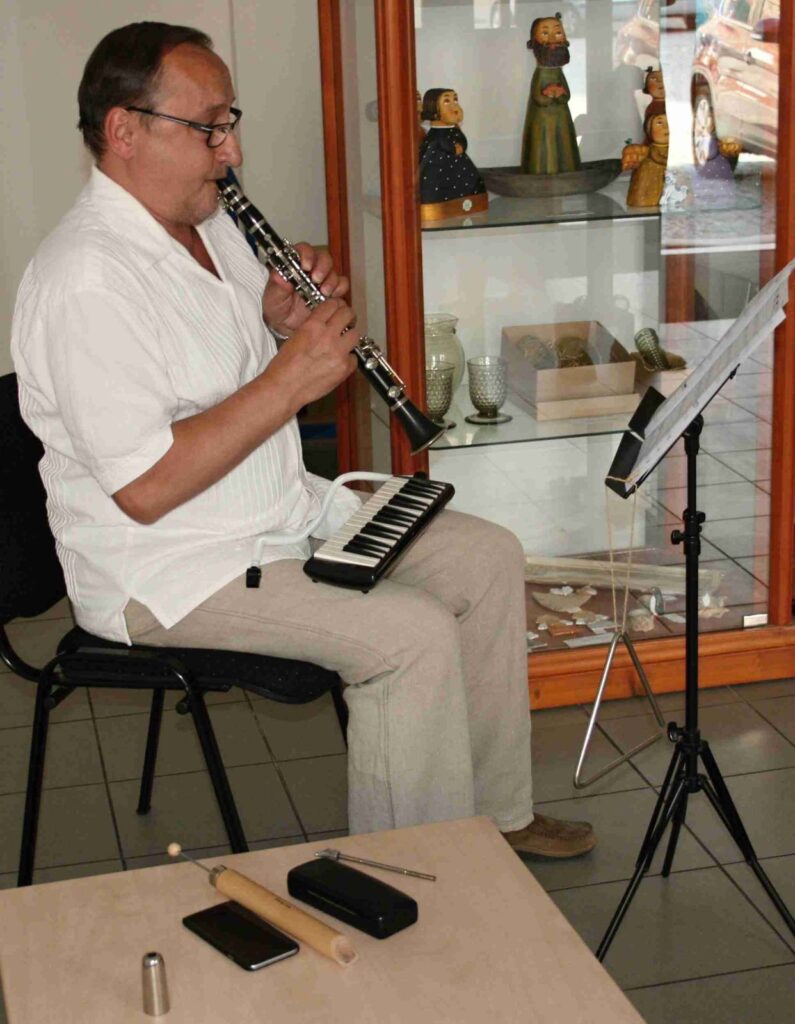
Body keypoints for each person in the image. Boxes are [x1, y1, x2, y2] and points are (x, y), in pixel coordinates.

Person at [11, 22, 595, 859]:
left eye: (230, 122)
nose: (232, 149)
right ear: (124, 130)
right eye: (210, 128)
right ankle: (413, 868)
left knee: (486, 557)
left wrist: (279, 319)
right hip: (172, 568)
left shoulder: (206, 223)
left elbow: (218, 356)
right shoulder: (85, 281)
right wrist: (291, 377)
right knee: (410, 637)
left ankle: (496, 816)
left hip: (275, 514)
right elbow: (145, 488)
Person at [520, 14, 581, 175]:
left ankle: (567, 169)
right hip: (542, 120)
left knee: (563, 143)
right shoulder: (540, 73)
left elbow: (567, 95)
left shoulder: (558, 72)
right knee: (544, 144)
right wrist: (547, 95)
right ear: (535, 41)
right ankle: (541, 172)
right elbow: (537, 97)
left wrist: (560, 93)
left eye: (558, 32)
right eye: (545, 33)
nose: (553, 39)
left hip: (561, 118)